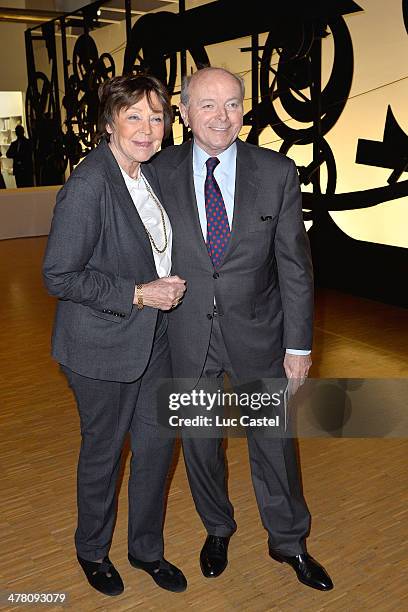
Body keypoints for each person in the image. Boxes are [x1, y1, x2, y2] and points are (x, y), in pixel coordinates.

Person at [150, 67, 333, 591]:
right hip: (186, 336)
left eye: (232, 104)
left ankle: (290, 541)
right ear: (184, 113)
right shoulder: (157, 172)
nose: (222, 117)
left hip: (260, 334)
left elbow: (295, 268)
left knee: (273, 443)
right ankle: (217, 528)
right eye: (207, 105)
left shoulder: (275, 172)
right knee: (201, 442)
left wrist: (299, 347)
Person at [43, 75, 187, 597]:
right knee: (104, 453)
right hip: (102, 347)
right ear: (109, 124)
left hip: (157, 340)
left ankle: (146, 548)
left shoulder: (147, 175)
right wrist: (138, 294)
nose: (148, 129)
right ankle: (92, 551)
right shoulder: (89, 183)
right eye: (134, 117)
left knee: (155, 448)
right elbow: (59, 274)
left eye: (156, 117)